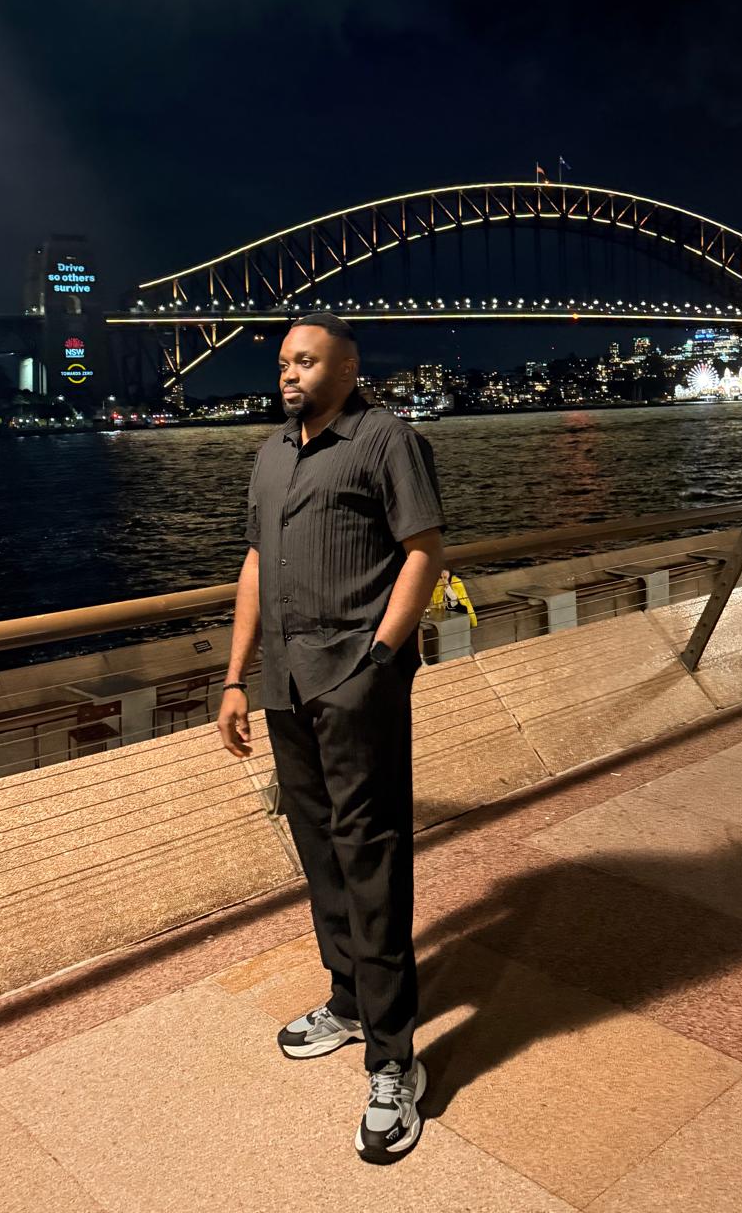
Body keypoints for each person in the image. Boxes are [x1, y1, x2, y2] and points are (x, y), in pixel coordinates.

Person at [216, 312, 445, 1165]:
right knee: (320, 852)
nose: (290, 373)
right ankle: (349, 1001)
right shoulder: (272, 453)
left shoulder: (385, 440)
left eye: (307, 361)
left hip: (354, 681)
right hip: (282, 685)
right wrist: (236, 676)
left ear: (347, 369)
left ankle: (395, 1060)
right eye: (283, 361)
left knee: (370, 854)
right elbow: (251, 565)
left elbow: (424, 551)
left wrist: (380, 660)